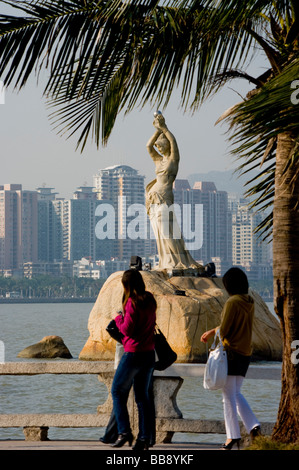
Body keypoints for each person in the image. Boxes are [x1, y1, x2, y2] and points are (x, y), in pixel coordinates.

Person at [201, 267, 261, 450]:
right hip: (245, 354)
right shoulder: (248, 301)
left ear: (229, 285)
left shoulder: (232, 302)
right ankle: (253, 426)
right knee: (235, 393)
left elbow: (225, 329)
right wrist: (214, 330)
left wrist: (212, 332)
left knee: (228, 396)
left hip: (231, 353)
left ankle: (232, 437)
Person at [145, 112, 203, 272]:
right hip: (153, 201)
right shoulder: (158, 160)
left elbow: (173, 141)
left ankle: (175, 260)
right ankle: (166, 260)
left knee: (167, 231)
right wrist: (157, 130)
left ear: (167, 145)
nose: (158, 146)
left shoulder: (173, 160)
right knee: (160, 234)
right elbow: (148, 146)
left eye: (160, 144)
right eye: (158, 145)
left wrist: (164, 128)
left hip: (165, 199)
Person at [110, 269, 157, 450]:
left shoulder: (132, 302)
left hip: (133, 354)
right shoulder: (150, 299)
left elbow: (127, 329)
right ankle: (144, 438)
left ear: (127, 285)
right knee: (142, 397)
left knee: (117, 391)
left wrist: (118, 318)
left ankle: (124, 432)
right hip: (149, 354)